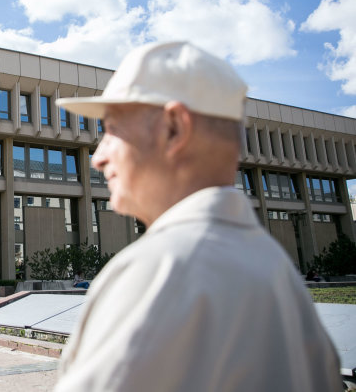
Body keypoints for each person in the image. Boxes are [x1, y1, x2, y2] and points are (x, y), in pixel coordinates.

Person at [53, 42, 342, 391]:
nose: (98, 157)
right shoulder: (279, 273)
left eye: (113, 129)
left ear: (174, 128)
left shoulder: (160, 270)